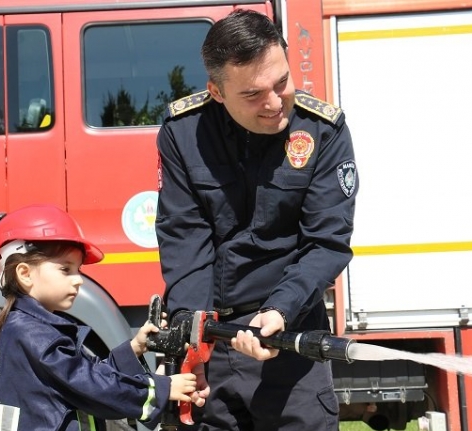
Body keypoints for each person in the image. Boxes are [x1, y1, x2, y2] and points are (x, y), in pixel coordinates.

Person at [155, 9, 358, 431]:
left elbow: (327, 242)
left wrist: (279, 310)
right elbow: (184, 237)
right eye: (252, 94)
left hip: (289, 341)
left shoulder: (323, 131)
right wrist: (196, 336)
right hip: (211, 343)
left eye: (281, 82)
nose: (273, 102)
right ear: (216, 91)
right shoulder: (183, 132)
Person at [0, 203, 204, 431]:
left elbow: (85, 375)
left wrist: (134, 348)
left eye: (79, 271)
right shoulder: (35, 335)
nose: (78, 280)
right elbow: (91, 386)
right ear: (25, 274)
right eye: (65, 269)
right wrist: (162, 389)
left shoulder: (27, 328)